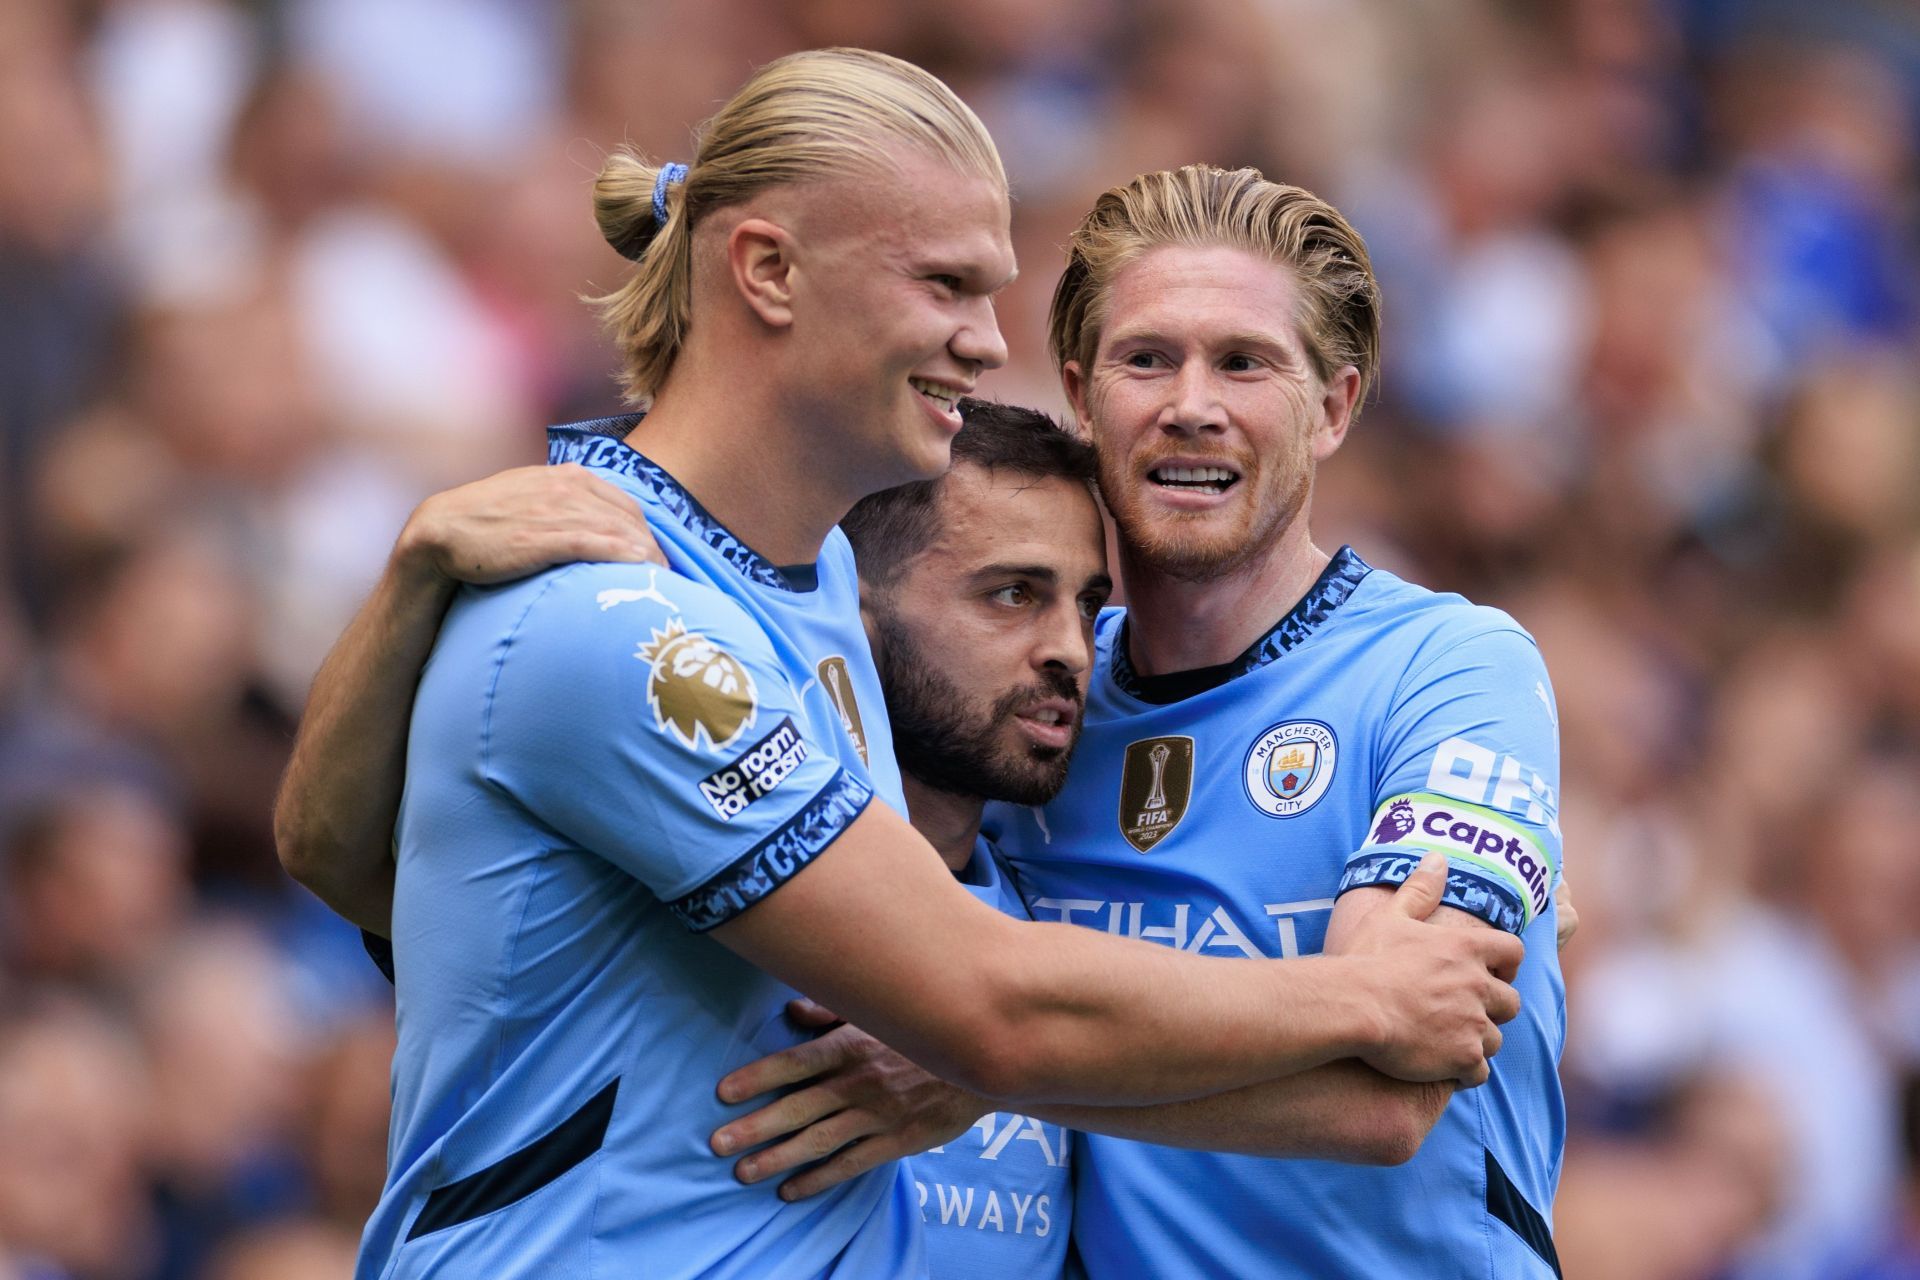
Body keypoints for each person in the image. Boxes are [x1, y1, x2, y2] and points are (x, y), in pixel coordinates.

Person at [274, 52, 1522, 1278]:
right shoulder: (617, 617)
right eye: (945, 285)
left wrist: (406, 592)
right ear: (766, 270)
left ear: (1339, 403)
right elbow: (992, 1003)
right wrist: (1371, 995)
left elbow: (362, 859)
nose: (987, 344)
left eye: (1243, 362)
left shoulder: (823, 590)